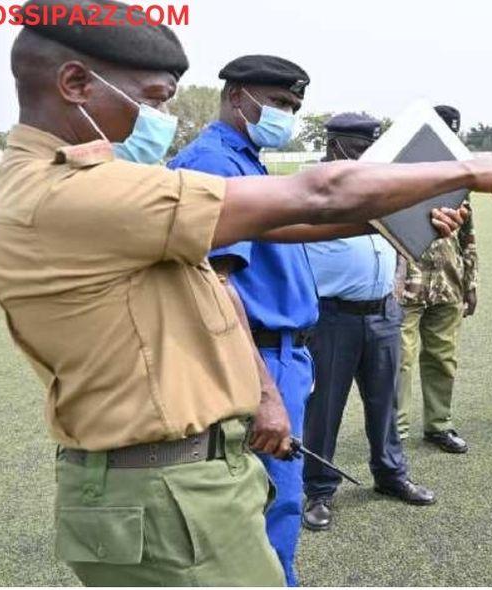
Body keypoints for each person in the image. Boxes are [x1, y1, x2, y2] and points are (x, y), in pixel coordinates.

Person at [0, 2, 492, 583]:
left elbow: (281, 223)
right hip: (166, 487)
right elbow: (319, 193)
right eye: (155, 99)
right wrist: (466, 169)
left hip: (167, 475)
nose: (161, 116)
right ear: (75, 83)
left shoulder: (65, 189)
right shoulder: (82, 195)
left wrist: (382, 218)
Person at [166, 57, 467, 585]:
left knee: (274, 502)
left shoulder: (245, 160)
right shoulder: (214, 163)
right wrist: (264, 394)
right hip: (256, 354)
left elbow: (298, 226)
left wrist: (403, 218)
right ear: (238, 96)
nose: (286, 115)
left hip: (285, 349)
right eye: (279, 104)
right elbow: (214, 286)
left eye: (294, 106)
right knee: (269, 505)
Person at [301, 113, 442, 531]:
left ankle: (390, 474)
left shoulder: (381, 188)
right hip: (331, 318)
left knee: (386, 402)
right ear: (335, 148)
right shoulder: (314, 192)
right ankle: (320, 490)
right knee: (324, 410)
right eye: (359, 150)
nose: (368, 159)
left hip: (382, 312)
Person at [395, 104, 478, 453]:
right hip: (405, 284)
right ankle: (394, 433)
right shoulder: (396, 172)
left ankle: (439, 425)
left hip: (447, 282)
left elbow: (467, 233)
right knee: (400, 362)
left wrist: (470, 281)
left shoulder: (459, 177)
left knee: (443, 358)